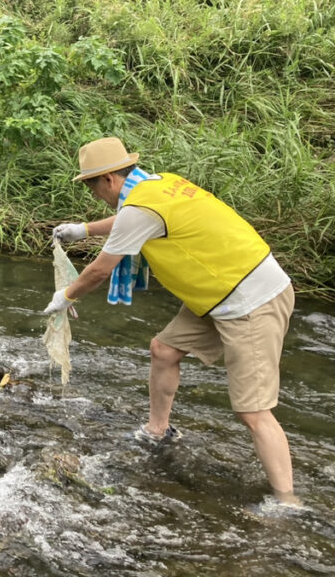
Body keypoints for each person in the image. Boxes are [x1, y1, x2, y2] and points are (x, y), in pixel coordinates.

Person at [45, 137, 299, 506]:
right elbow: (129, 222)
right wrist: (83, 230)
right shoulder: (157, 184)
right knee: (163, 350)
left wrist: (64, 297)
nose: (94, 194)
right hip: (220, 292)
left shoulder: (140, 206)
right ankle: (157, 430)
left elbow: (100, 270)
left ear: (110, 179)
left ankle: (288, 502)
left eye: (92, 185)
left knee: (253, 412)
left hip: (250, 301)